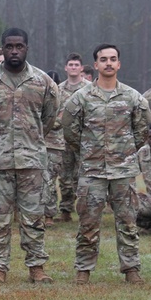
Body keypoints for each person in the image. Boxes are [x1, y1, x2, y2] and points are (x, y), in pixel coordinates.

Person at [0, 27, 59, 284]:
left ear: (27, 48)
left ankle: (36, 267)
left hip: (32, 162)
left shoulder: (43, 82)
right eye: (9, 46)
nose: (14, 51)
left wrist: (32, 140)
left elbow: (49, 118)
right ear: (3, 48)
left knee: (33, 217)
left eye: (19, 46)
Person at [61, 44, 150, 284]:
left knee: (128, 222)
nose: (108, 63)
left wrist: (125, 152)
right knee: (88, 222)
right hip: (92, 170)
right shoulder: (81, 97)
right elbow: (70, 130)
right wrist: (88, 150)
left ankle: (131, 269)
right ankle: (83, 269)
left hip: (123, 170)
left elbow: (142, 130)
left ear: (119, 64)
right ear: (96, 65)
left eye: (113, 59)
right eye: (103, 59)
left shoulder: (133, 97)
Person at [58, 53, 91, 223]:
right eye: (70, 64)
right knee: (64, 176)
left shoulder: (90, 88)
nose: (73, 67)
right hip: (63, 140)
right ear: (65, 68)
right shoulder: (58, 89)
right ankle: (65, 210)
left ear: (81, 68)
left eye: (76, 65)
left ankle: (84, 210)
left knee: (83, 176)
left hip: (84, 139)